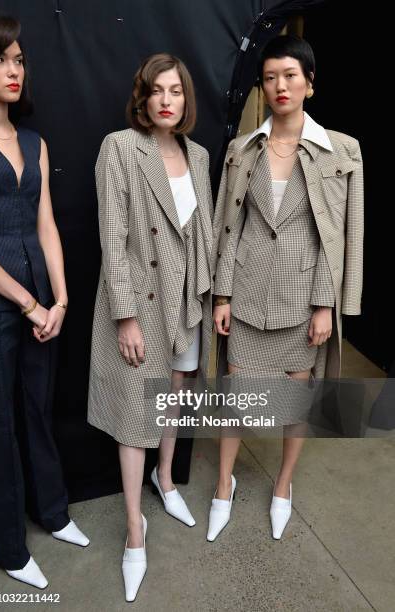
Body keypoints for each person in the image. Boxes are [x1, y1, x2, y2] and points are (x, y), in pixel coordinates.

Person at [209, 34, 363, 542]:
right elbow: (229, 226)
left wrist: (327, 303)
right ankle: (224, 485)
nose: (280, 86)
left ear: (309, 84)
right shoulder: (241, 149)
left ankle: (283, 486)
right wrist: (223, 294)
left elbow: (340, 235)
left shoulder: (341, 151)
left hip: (304, 300)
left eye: (290, 76)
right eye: (271, 77)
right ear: (263, 86)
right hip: (247, 295)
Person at [88, 53, 213, 601]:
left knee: (176, 395)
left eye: (177, 91)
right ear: (143, 98)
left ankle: (166, 480)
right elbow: (112, 237)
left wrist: (212, 298)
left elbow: (203, 232)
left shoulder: (200, 155)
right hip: (141, 301)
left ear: (186, 99)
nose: (167, 100)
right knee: (137, 410)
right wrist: (126, 317)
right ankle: (134, 529)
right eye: (157, 90)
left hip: (186, 304)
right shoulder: (120, 147)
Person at [0, 15, 89, 589]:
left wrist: (63, 299)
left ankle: (52, 512)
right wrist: (27, 302)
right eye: (1, 58)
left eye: (20, 60)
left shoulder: (34, 142)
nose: (13, 70)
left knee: (39, 411)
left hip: (44, 305)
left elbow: (47, 224)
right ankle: (8, 546)